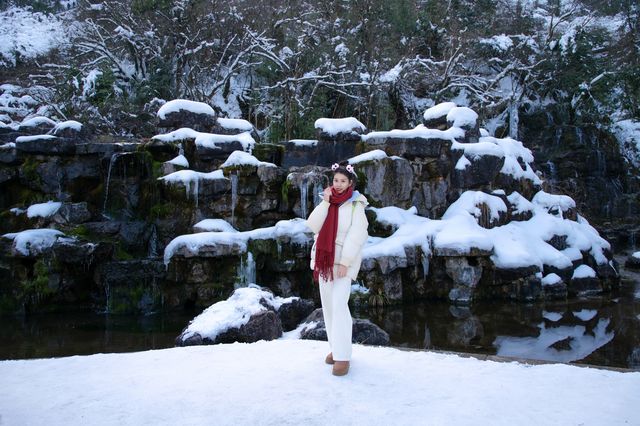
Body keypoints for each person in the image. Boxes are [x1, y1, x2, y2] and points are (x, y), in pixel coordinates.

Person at [306, 161, 369, 376]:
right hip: (324, 261)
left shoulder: (355, 205)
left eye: (343, 181)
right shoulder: (328, 202)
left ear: (350, 182)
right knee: (329, 306)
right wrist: (325, 203)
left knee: (340, 305)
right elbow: (313, 225)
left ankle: (343, 356)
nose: (339, 184)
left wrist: (345, 262)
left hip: (343, 261)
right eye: (336, 180)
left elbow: (358, 234)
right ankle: (335, 348)